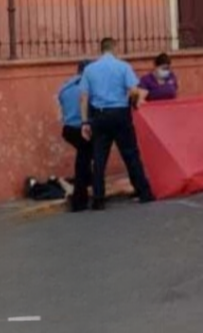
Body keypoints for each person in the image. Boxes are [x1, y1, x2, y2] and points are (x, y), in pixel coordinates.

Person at [80, 37, 155, 211]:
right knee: (131, 155)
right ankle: (144, 193)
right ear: (114, 48)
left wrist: (85, 122)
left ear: (101, 49)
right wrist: (134, 103)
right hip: (121, 113)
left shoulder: (89, 69)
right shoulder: (124, 67)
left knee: (99, 159)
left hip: (99, 116)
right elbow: (134, 91)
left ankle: (98, 199)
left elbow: (83, 97)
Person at [58, 60, 94, 212]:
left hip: (68, 129)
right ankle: (80, 199)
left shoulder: (65, 86)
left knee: (84, 157)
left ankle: (88, 182)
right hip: (83, 128)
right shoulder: (87, 87)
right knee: (83, 160)